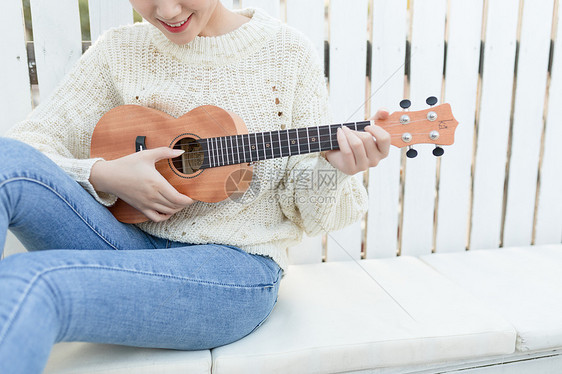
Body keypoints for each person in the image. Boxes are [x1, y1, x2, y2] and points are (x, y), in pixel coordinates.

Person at [0, 0, 390, 372]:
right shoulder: (118, 51)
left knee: (31, 279)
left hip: (232, 270)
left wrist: (332, 170)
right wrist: (104, 174)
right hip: (124, 243)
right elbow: (31, 145)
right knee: (7, 161)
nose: (168, 11)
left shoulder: (287, 54)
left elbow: (305, 209)